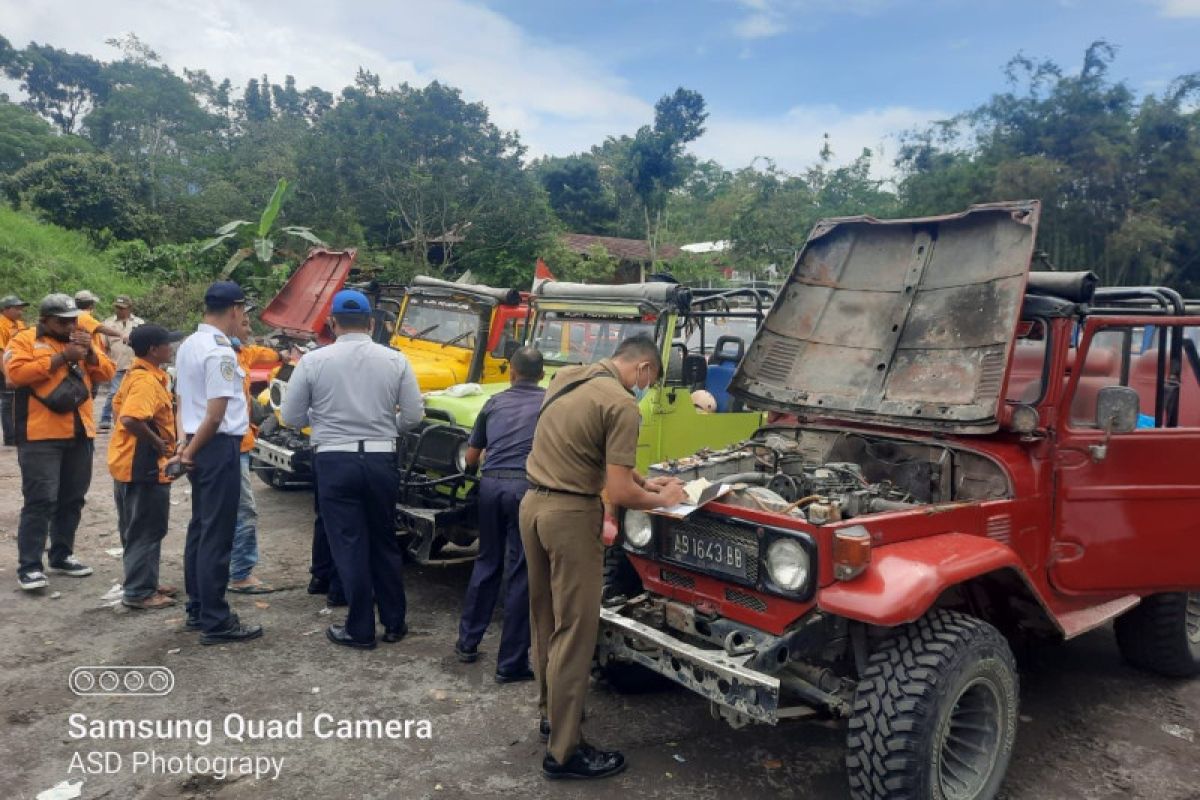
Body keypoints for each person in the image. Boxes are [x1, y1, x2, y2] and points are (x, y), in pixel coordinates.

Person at [520, 334, 686, 780]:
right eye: (649, 382)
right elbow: (617, 492)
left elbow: (598, 452)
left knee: (547, 619)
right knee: (577, 630)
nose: (645, 389)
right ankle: (565, 752)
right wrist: (666, 497)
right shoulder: (622, 404)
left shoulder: (569, 378)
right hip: (571, 515)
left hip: (533, 504)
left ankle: (551, 715)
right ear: (645, 371)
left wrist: (643, 481)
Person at [281, 289, 423, 649]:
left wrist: (326, 421)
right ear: (372, 324)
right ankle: (394, 623)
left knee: (348, 544)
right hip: (380, 459)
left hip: (334, 460)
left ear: (332, 323)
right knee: (383, 542)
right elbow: (414, 416)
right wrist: (384, 426)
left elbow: (292, 416)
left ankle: (359, 629)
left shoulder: (313, 362)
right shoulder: (395, 360)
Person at [170, 281, 262, 644]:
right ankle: (216, 619)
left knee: (200, 527)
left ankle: (197, 607)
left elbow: (181, 401)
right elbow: (215, 415)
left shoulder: (190, 344)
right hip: (217, 446)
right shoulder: (220, 352)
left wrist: (183, 446)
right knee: (217, 534)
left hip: (196, 442)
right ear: (236, 309)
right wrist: (189, 453)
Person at [5, 294, 116, 591]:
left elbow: (107, 372)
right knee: (41, 500)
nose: (69, 326)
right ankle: (29, 566)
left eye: (72, 321)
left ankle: (62, 554)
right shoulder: (23, 339)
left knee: (72, 499)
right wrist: (62, 357)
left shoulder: (82, 339)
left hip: (81, 433)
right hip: (41, 435)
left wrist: (89, 351)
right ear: (44, 320)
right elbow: (14, 375)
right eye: (62, 321)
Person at [455, 346, 545, 680]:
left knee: (487, 562)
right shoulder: (550, 403)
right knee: (521, 571)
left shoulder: (493, 403)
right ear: (542, 372)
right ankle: (510, 664)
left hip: (491, 487)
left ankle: (467, 643)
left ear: (511, 371)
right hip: (526, 489)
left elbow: (472, 457)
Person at [108, 325, 181, 610]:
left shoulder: (138, 375)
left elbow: (117, 410)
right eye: (167, 344)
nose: (171, 348)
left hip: (128, 463)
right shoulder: (146, 382)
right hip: (143, 466)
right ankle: (140, 592)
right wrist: (158, 443)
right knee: (147, 528)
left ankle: (143, 580)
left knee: (134, 526)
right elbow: (129, 419)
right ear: (153, 349)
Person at [228, 314, 281, 594]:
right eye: (245, 324)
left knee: (222, 512)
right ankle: (240, 573)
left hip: (237, 445)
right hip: (230, 446)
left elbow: (264, 353)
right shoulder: (226, 358)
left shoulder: (241, 352)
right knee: (244, 511)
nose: (249, 330)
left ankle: (227, 569)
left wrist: (282, 353)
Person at [98, 295, 144, 432]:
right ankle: (105, 418)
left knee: (135, 392)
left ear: (129, 308)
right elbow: (104, 345)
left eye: (122, 308)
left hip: (135, 364)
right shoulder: (108, 324)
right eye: (117, 307)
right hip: (116, 364)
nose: (119, 310)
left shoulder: (139, 323)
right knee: (114, 392)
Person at [0, 295, 30, 446]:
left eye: (21, 308)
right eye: (17, 308)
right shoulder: (1, 324)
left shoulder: (19, 323)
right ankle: (10, 438)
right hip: (5, 367)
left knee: (21, 399)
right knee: (7, 402)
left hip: (20, 366)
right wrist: (7, 376)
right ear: (5, 309)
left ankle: (20, 433)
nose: (20, 311)